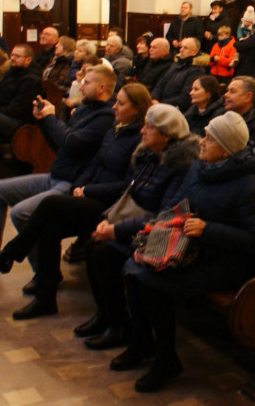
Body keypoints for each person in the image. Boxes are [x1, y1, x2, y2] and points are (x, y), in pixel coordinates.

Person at [0, 85, 152, 319]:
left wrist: (87, 189)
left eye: (121, 103)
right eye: (115, 102)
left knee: (50, 204)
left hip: (109, 205)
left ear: (137, 109)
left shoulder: (139, 139)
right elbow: (95, 164)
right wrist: (80, 184)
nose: (114, 107)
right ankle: (45, 299)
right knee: (49, 229)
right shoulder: (116, 130)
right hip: (88, 194)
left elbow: (128, 186)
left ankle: (6, 257)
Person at [115, 112, 255, 392]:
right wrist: (157, 224)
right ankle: (141, 344)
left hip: (225, 261)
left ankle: (166, 360)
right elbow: (176, 202)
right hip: (190, 248)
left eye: (210, 138)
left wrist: (208, 229)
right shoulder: (200, 168)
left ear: (226, 148)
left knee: (152, 282)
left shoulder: (249, 184)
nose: (202, 142)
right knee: (133, 269)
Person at [0, 65, 116, 269]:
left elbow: (71, 143)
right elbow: (59, 145)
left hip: (72, 183)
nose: (81, 87)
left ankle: (43, 272)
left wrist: (51, 118)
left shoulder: (105, 117)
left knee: (21, 213)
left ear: (101, 88)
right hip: (56, 175)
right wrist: (43, 122)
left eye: (86, 83)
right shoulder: (84, 109)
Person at [79, 105, 203, 351]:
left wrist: (116, 230)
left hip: (158, 233)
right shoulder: (147, 155)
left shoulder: (181, 166)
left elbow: (163, 215)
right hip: (137, 224)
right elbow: (130, 195)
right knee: (93, 246)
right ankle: (106, 315)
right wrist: (110, 221)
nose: (142, 131)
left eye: (149, 127)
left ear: (166, 135)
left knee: (105, 253)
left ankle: (120, 326)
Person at [222, 76, 255, 150]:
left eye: (232, 91)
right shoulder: (224, 114)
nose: (226, 95)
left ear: (248, 97)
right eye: (227, 91)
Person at [151, 37, 204, 111]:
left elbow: (185, 97)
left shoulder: (196, 70)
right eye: (181, 47)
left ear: (194, 52)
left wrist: (161, 104)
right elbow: (160, 85)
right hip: (160, 105)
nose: (181, 50)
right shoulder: (175, 65)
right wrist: (154, 99)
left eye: (185, 48)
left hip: (176, 110)